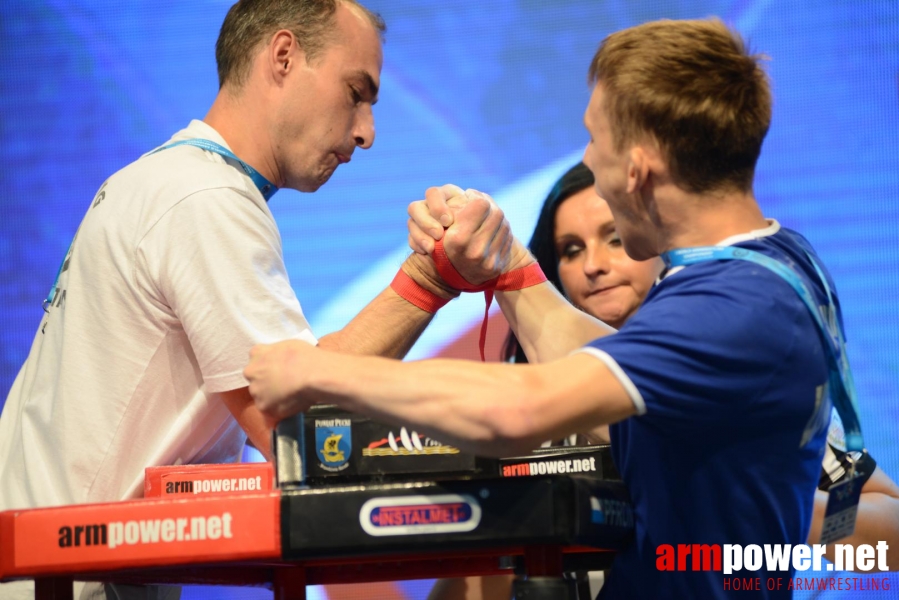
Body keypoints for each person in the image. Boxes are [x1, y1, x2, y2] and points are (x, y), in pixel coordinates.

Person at [245, 18, 881, 598]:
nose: (585, 162)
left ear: (637, 168)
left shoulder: (730, 308)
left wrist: (316, 371)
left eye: (593, 138)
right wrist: (510, 263)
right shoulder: (770, 259)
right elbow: (601, 359)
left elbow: (523, 408)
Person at [0, 1, 512, 599]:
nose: (366, 132)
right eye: (356, 92)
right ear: (284, 56)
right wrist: (432, 279)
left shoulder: (160, 180)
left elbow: (291, 398)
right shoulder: (205, 198)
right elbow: (306, 428)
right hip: (57, 579)